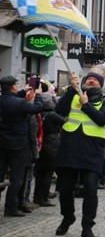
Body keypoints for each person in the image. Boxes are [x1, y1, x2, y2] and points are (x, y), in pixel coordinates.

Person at [55, 68, 105, 237]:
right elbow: (60, 109)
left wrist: (86, 104)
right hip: (70, 149)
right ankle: (68, 216)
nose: (91, 81)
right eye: (89, 79)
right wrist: (71, 89)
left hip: (91, 152)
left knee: (90, 190)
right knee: (64, 190)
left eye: (95, 80)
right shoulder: (73, 96)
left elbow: (102, 119)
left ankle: (87, 227)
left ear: (100, 84)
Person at [0, 76, 44, 217]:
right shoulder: (20, 103)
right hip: (18, 144)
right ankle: (10, 207)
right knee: (17, 178)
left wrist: (22, 91)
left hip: (2, 142)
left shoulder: (3, 99)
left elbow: (10, 101)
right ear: (13, 86)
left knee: (0, 175)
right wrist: (37, 95)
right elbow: (37, 108)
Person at [33, 92, 65, 207]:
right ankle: (44, 198)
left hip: (40, 145)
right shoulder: (52, 115)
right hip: (51, 146)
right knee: (48, 173)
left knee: (39, 173)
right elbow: (65, 122)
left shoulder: (37, 113)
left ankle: (37, 197)